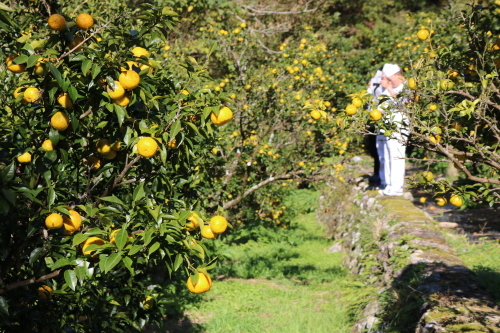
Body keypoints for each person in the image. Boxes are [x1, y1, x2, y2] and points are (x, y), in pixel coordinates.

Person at [376, 64, 408, 196]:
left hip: (399, 127)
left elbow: (403, 104)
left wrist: (389, 88)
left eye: (390, 78)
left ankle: (397, 187)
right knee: (388, 157)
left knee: (397, 157)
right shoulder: (392, 87)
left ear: (398, 75)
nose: (389, 81)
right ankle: (389, 184)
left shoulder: (406, 87)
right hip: (388, 127)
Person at [366, 66, 384, 186]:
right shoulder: (377, 83)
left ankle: (380, 175)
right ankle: (377, 174)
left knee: (381, 151)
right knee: (375, 149)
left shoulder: (387, 85)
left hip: (381, 120)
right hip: (373, 119)